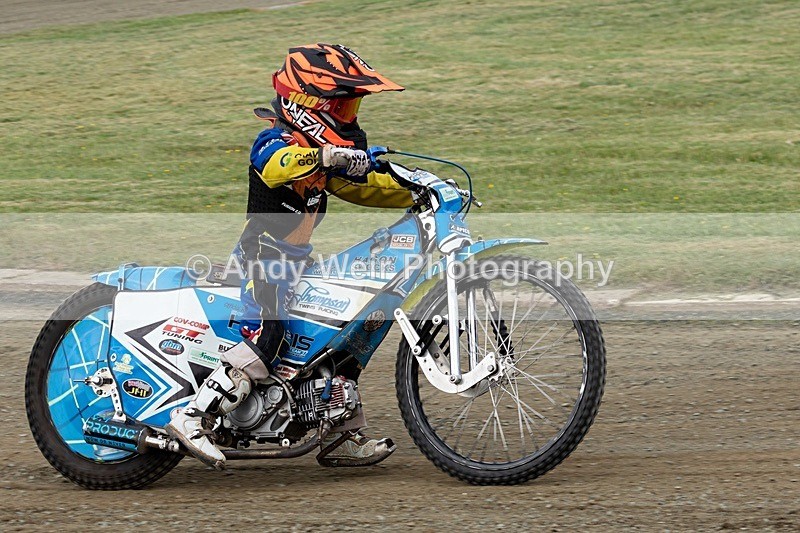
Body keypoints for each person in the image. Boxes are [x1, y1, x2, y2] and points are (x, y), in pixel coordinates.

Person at [166, 44, 413, 469]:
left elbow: (368, 189)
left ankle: (338, 434)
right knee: (269, 338)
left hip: (296, 263)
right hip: (260, 260)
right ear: (307, 104)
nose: (349, 116)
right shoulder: (275, 141)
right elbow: (276, 165)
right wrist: (324, 155)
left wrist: (421, 191)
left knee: (342, 337)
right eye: (342, 106)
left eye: (351, 107)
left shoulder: (325, 158)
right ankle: (192, 416)